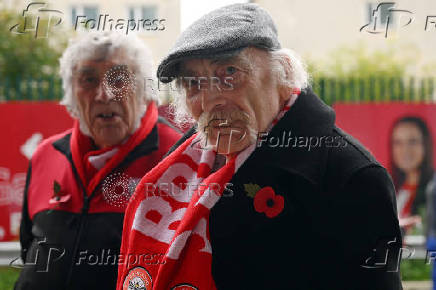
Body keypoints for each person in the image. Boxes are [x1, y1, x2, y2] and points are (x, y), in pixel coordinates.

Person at [117, 4, 403, 290]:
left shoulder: (351, 177)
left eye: (229, 72)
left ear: (282, 72)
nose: (210, 100)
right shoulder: (183, 161)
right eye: (193, 83)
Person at [14, 31, 181, 290]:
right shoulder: (46, 154)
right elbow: (30, 249)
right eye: (88, 79)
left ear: (145, 89)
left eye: (119, 78)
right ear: (71, 94)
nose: (104, 94)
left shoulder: (178, 156)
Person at [390, 116, 434, 235]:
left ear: (425, 145)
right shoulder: (392, 187)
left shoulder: (433, 187)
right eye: (398, 142)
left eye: (412, 141)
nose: (405, 149)